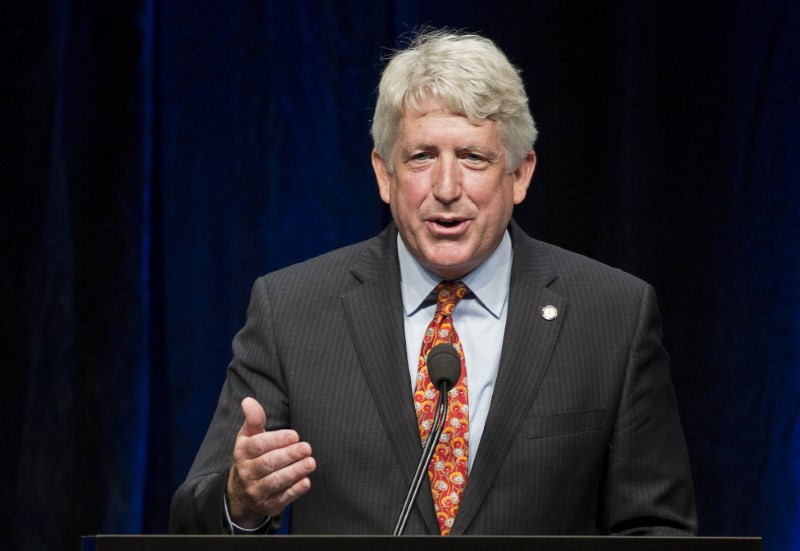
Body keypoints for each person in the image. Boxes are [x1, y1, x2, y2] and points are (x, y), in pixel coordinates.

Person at [169, 29, 697, 536]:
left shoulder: (613, 315)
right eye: (422, 157)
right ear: (384, 173)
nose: (447, 188)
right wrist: (240, 501)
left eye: (473, 157)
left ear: (520, 174)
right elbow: (193, 520)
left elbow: (657, 528)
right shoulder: (291, 311)